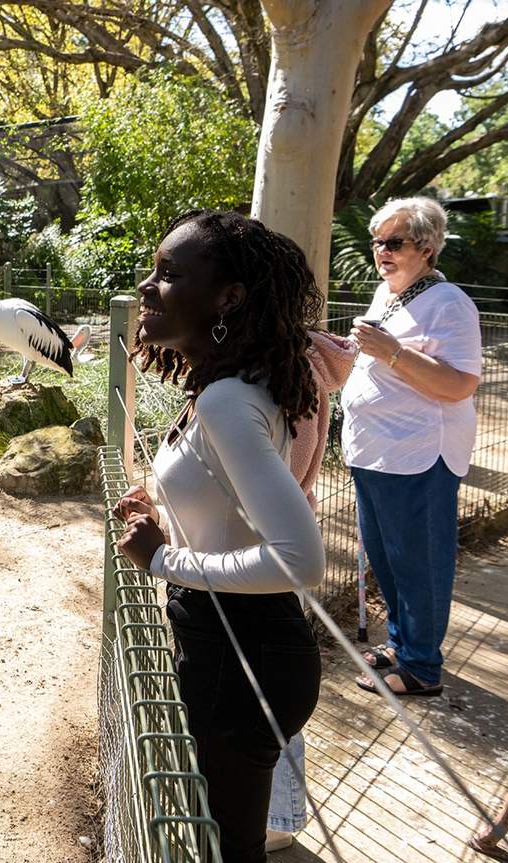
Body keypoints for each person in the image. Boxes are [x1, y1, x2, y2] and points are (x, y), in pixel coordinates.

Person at [113, 209, 326, 863]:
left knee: (225, 851)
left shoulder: (227, 399)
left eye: (170, 274)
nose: (147, 287)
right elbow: (233, 502)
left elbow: (298, 558)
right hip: (236, 645)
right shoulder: (227, 389)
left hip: (241, 658)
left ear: (227, 298)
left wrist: (162, 557)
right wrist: (163, 502)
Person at [343, 196, 481, 698]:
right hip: (375, 452)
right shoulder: (388, 294)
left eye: (393, 242)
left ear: (425, 247)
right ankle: (403, 643)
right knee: (388, 559)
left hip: (418, 454)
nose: (381, 251)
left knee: (419, 562)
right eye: (376, 242)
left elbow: (459, 384)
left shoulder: (450, 303)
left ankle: (422, 666)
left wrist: (393, 353)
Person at [267, 329, 357, 853]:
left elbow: (286, 469)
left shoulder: (287, 372)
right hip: (269, 552)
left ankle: (276, 818)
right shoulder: (291, 366)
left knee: (271, 693)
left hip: (269, 556)